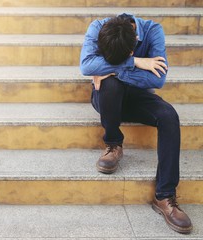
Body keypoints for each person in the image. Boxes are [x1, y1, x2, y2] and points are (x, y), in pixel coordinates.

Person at [80, 13, 193, 234]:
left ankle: (165, 196)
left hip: (138, 95)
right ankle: (113, 143)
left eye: (129, 56)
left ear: (132, 47)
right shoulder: (98, 27)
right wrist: (135, 63)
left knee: (169, 116)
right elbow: (86, 66)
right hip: (107, 97)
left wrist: (111, 69)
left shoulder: (153, 31)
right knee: (110, 86)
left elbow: (158, 79)